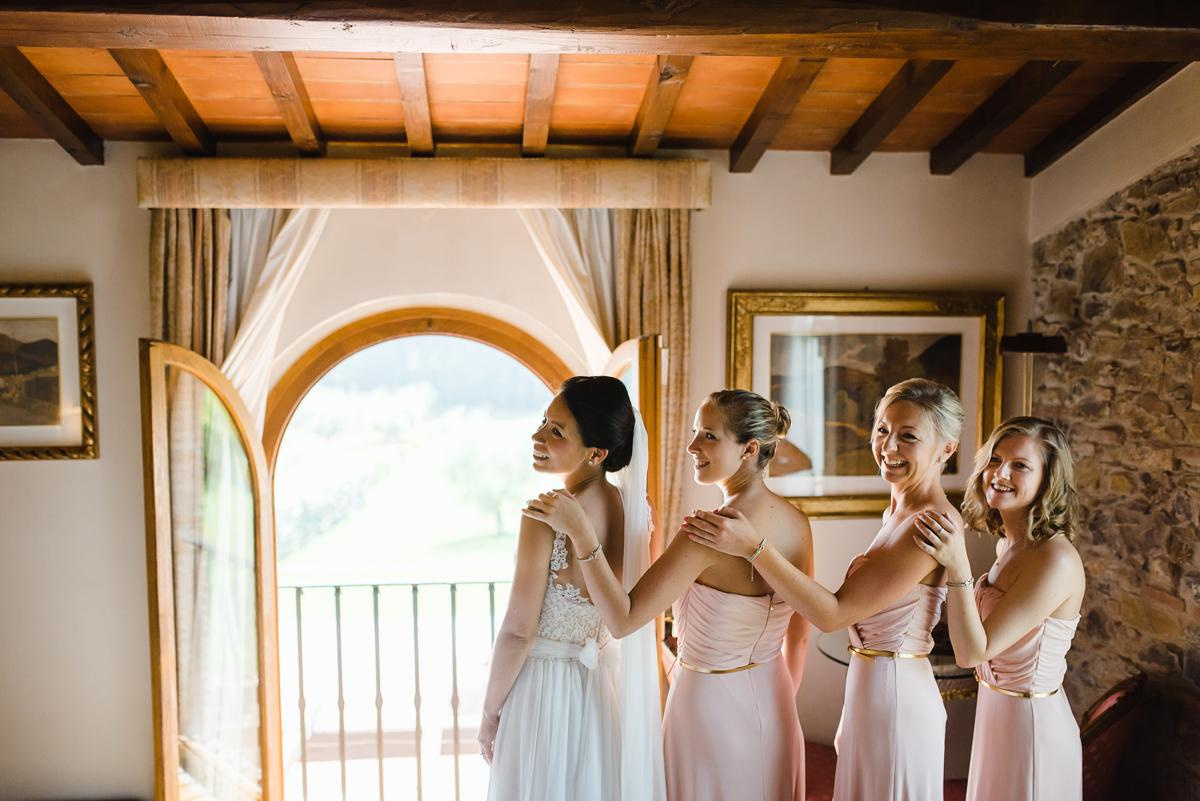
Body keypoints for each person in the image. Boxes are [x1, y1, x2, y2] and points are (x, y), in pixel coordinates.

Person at [683, 377, 963, 801]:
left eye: (908, 437)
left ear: (946, 449)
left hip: (898, 703)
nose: (888, 446)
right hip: (872, 690)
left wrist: (755, 548)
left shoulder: (928, 525)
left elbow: (831, 614)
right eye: (883, 429)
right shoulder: (899, 512)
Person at [524, 389, 811, 801]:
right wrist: (774, 699)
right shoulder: (798, 524)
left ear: (749, 449)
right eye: (696, 432)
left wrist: (583, 535)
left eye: (708, 436)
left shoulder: (705, 534)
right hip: (776, 701)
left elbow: (624, 620)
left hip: (708, 709)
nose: (692, 445)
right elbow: (798, 634)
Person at [480, 375, 665, 801]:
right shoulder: (636, 511)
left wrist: (490, 713)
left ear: (597, 453)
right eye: (544, 421)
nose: (537, 435)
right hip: (601, 693)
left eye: (556, 430)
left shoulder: (544, 514)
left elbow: (517, 631)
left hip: (543, 695)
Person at [913, 417, 1084, 801]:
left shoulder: (1055, 561)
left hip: (1033, 728)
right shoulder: (1009, 544)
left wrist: (957, 565)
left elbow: (972, 652)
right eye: (994, 459)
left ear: (1048, 479)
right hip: (996, 714)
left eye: (1020, 465)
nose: (1000, 473)